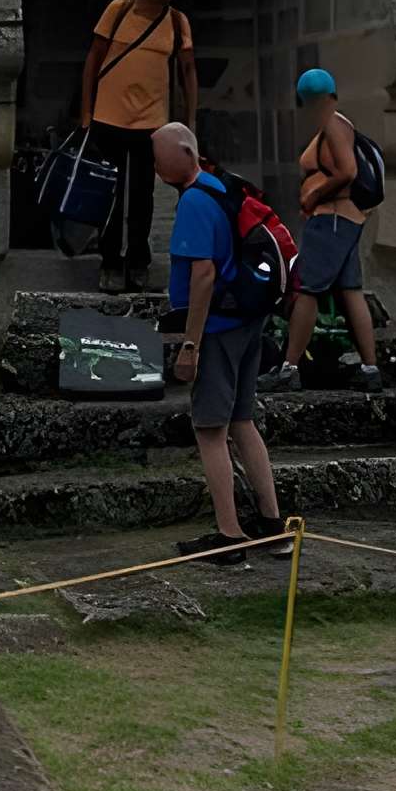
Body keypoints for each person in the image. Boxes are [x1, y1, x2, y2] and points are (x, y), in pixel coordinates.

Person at [155, 122, 290, 566]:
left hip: (217, 328)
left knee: (210, 430)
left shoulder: (195, 200)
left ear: (184, 155)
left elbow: (203, 275)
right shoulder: (222, 186)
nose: (156, 167)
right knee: (242, 421)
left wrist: (189, 347)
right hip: (249, 320)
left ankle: (229, 536)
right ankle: (274, 528)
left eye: (159, 157)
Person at [80, 0, 198, 293]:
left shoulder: (176, 21)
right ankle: (110, 261)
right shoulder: (118, 11)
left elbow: (188, 69)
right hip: (109, 115)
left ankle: (137, 260)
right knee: (111, 191)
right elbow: (94, 58)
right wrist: (86, 111)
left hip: (151, 122)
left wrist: (190, 119)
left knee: (143, 194)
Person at [268, 69, 382, 392]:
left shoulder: (332, 123)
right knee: (350, 290)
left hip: (331, 220)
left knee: (307, 289)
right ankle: (370, 368)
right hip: (345, 220)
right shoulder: (340, 123)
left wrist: (314, 194)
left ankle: (289, 369)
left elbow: (347, 170)